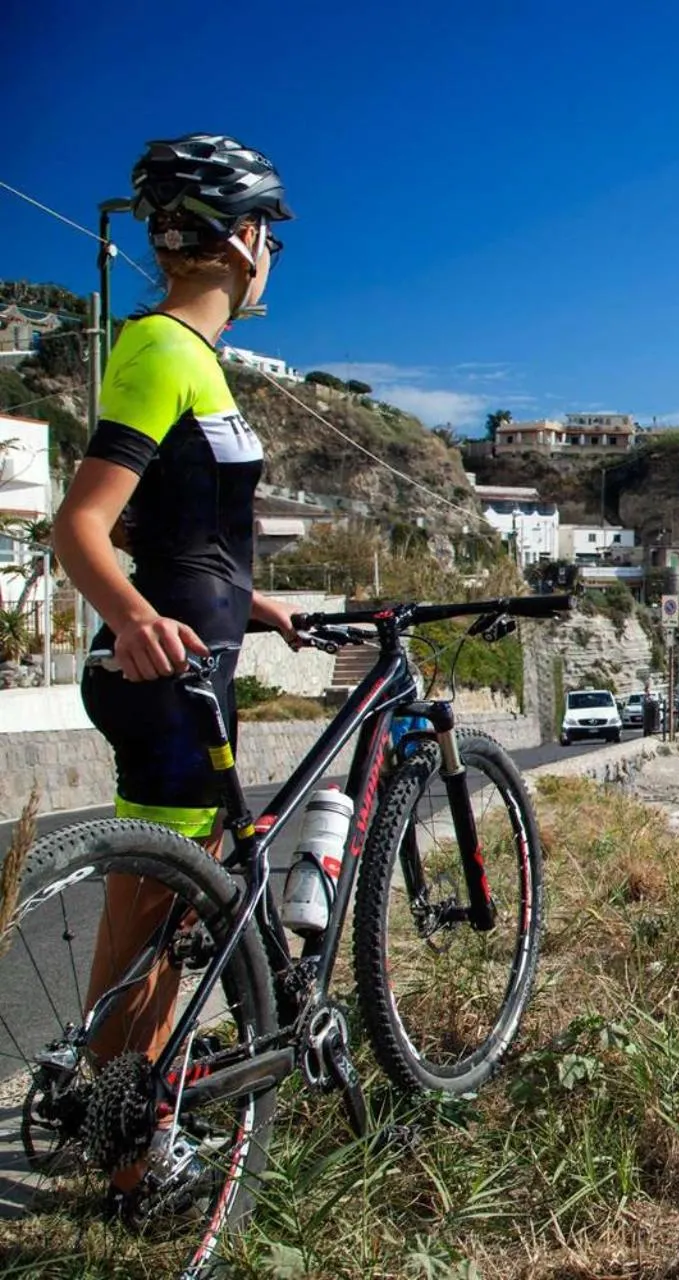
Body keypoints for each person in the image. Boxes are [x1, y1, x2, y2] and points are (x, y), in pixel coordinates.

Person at [50, 134, 299, 1201]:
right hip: (166, 674)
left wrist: (250, 599)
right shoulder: (159, 349)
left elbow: (182, 531)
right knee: (150, 912)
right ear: (242, 239)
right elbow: (84, 526)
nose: (273, 256)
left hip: (201, 655)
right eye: (271, 234)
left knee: (171, 906)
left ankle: (134, 1119)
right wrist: (138, 618)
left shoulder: (193, 362)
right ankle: (127, 1148)